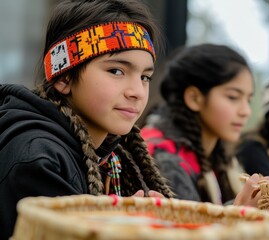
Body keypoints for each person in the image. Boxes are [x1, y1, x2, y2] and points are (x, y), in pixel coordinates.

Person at [0, 0, 175, 238]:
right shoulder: (38, 160)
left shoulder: (109, 155)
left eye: (145, 76)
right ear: (64, 78)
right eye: (116, 71)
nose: (137, 91)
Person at [141, 43, 269, 205]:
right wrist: (240, 212)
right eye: (233, 97)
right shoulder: (162, 157)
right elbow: (186, 228)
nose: (246, 111)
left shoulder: (219, 156)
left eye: (248, 100)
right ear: (194, 98)